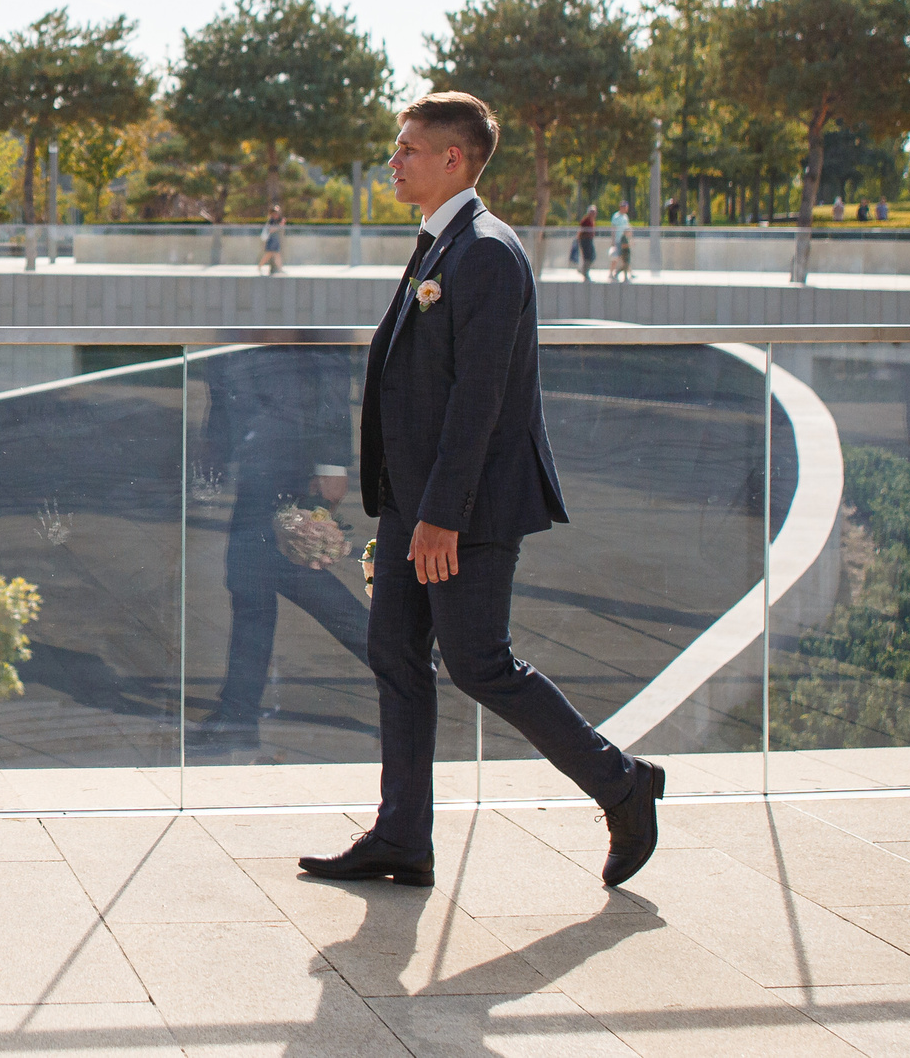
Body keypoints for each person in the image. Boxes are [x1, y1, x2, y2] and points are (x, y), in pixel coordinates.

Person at [301, 91, 662, 891]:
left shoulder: (488, 253)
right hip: (413, 503)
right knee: (394, 651)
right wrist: (405, 505)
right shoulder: (439, 244)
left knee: (479, 662)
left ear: (453, 159)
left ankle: (623, 784)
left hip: (459, 510)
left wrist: (440, 517)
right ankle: (402, 836)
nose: (392, 161)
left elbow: (481, 400)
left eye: (406, 149)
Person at [190, 344, 365, 751]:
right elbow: (228, 358)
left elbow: (329, 363)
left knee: (268, 576)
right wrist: (214, 441)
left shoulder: (291, 290)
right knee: (253, 583)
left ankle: (238, 715)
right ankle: (238, 714)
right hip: (256, 454)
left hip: (292, 453)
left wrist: (331, 464)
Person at [259, 206, 287, 276]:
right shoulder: (271, 221)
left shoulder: (276, 221)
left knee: (276, 254)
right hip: (271, 240)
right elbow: (271, 230)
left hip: (275, 240)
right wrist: (280, 226)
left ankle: (280, 269)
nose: (277, 214)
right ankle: (259, 267)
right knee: (269, 255)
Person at [609, 204, 633, 283]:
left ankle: (629, 273)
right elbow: (613, 228)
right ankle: (611, 273)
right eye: (625, 208)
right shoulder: (616, 216)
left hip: (624, 239)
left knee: (626, 257)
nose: (626, 209)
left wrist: (630, 238)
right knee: (616, 257)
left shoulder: (625, 216)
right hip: (618, 240)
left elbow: (627, 228)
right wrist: (613, 241)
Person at [575, 207, 598, 282]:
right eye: (592, 212)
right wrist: (578, 240)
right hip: (585, 240)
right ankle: (585, 272)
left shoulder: (592, 221)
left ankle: (584, 270)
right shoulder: (585, 220)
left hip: (589, 240)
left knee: (592, 256)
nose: (594, 214)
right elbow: (581, 230)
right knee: (587, 257)